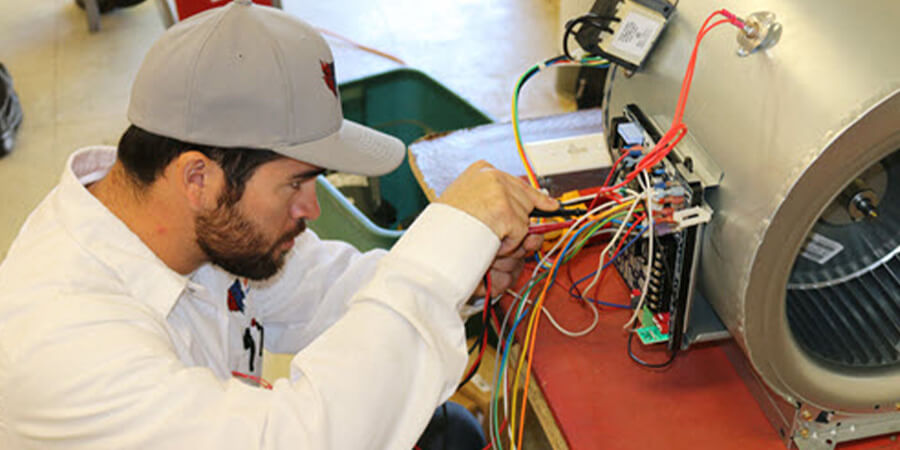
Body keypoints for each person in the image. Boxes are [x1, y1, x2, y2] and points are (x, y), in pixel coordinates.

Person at [0, 1, 557, 448]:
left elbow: (322, 288)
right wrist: (437, 256)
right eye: (296, 182)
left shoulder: (177, 223)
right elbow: (297, 437)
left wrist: (468, 274)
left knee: (449, 432)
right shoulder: (65, 344)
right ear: (198, 178)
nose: (313, 208)